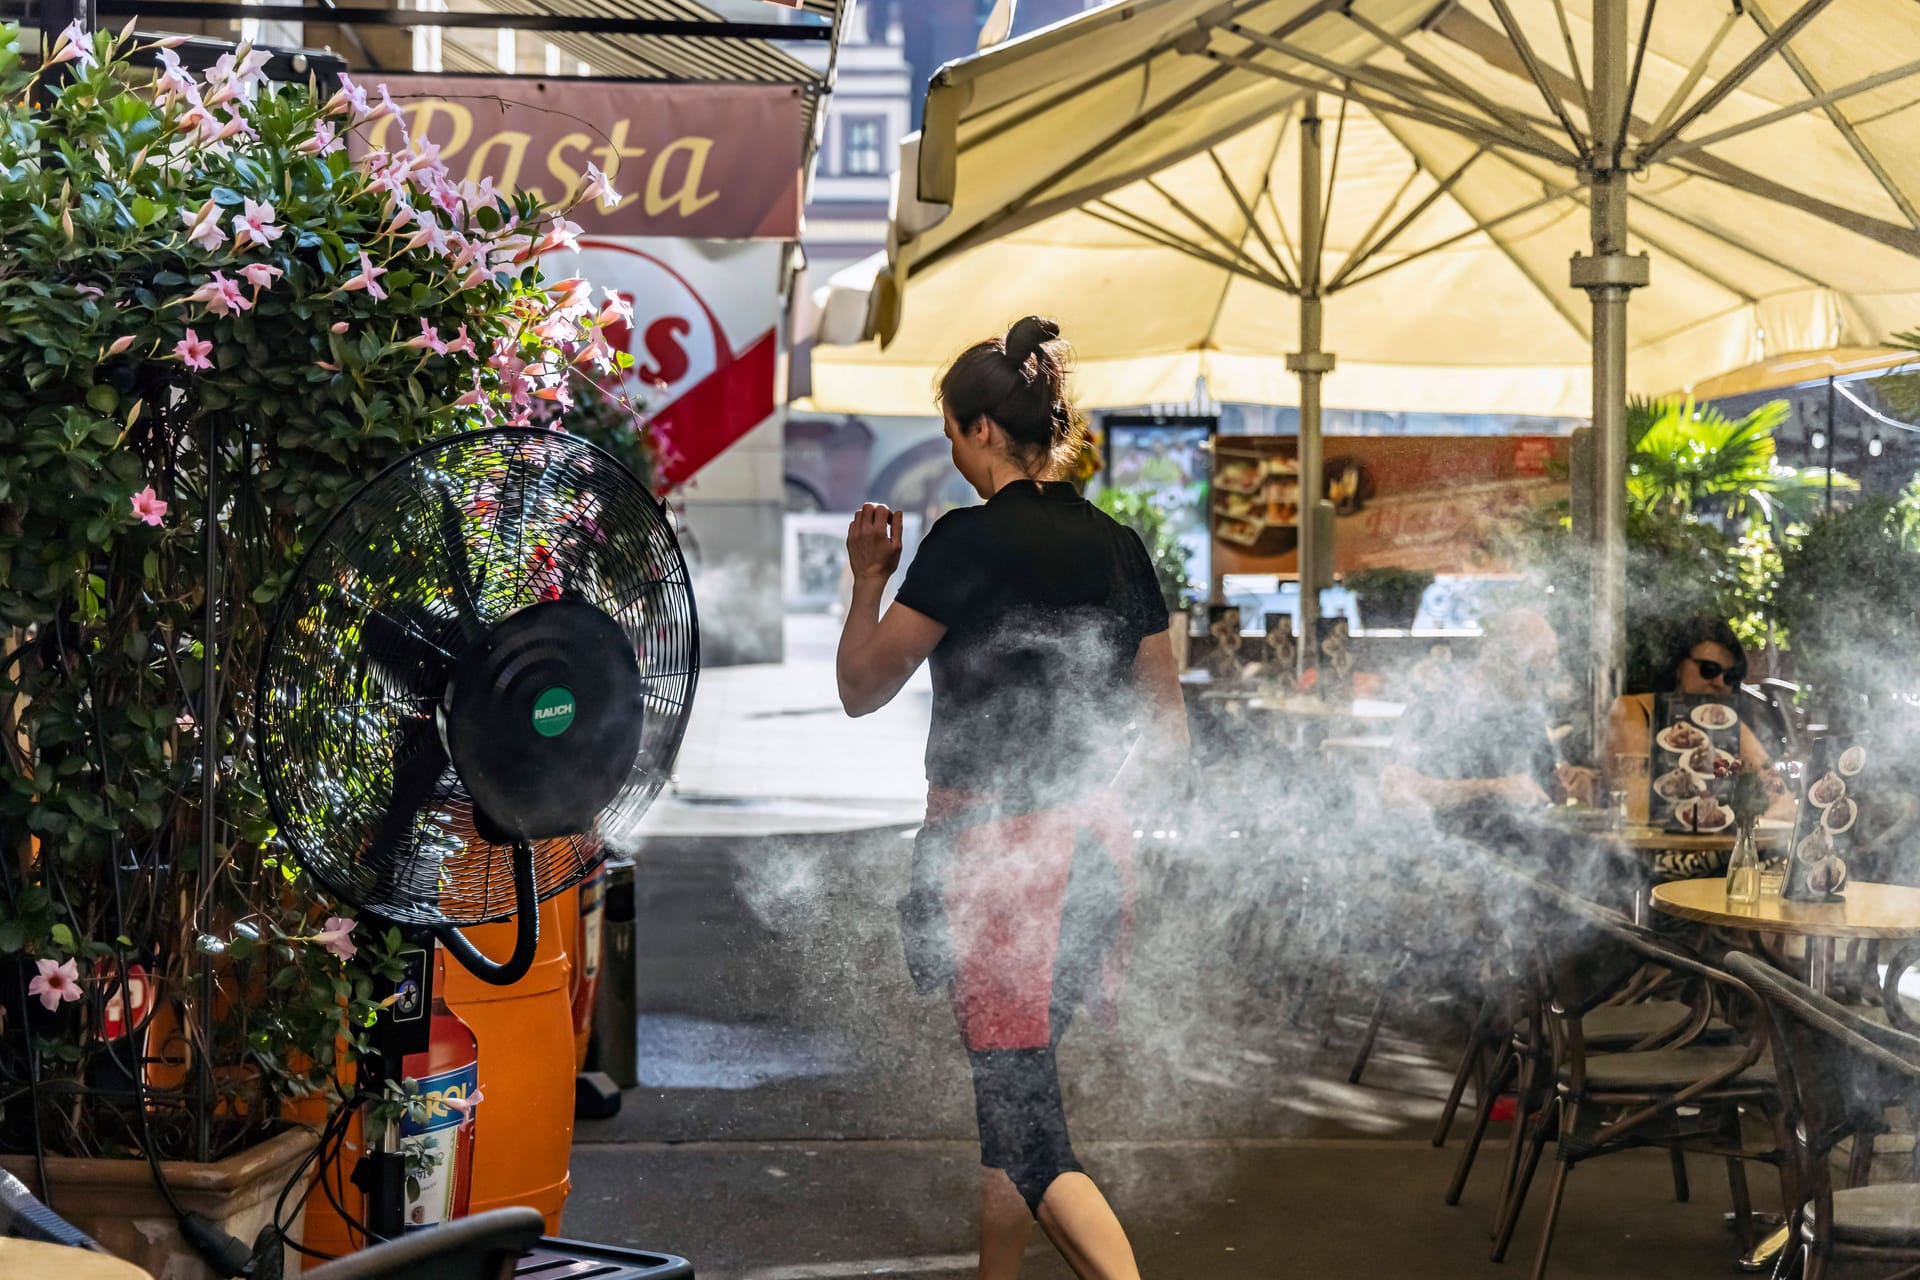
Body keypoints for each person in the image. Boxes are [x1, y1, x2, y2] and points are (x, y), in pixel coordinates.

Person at [835, 317, 1187, 1280]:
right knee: (1015, 1107)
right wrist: (1081, 808)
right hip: (1093, 860)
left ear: (983, 429)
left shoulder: (964, 543)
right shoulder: (1120, 547)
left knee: (1029, 1132)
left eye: (951, 432)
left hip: (997, 870)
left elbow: (863, 688)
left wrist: (866, 581)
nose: (951, 451)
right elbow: (1170, 738)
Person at [1379, 607, 1588, 822]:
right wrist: (1491, 788)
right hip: (1447, 847)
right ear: (1497, 659)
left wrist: (1568, 786)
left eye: (1547, 671)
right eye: (1533, 673)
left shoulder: (1526, 716)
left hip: (1519, 848)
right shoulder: (1436, 704)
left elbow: (1541, 792)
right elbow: (1393, 790)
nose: (1541, 685)